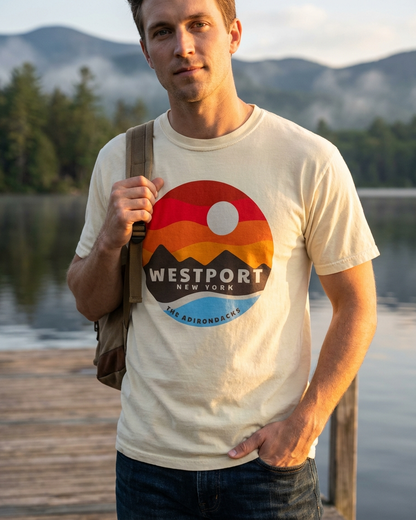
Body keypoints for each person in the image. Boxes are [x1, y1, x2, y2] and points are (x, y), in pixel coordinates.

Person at [67, 0, 379, 518]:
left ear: (233, 34)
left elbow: (358, 307)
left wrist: (307, 422)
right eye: (163, 32)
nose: (183, 46)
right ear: (146, 51)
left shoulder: (307, 159)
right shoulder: (119, 158)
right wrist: (109, 240)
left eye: (198, 25)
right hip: (149, 468)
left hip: (268, 470)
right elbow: (87, 301)